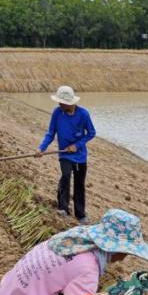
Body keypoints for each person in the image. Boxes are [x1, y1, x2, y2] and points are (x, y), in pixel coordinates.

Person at [0, 209, 148, 295]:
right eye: (127, 252)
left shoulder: (76, 237)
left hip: (8, 289)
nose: (126, 256)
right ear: (117, 249)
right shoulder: (87, 267)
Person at [36, 85, 95, 222]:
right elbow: (51, 133)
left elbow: (91, 133)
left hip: (79, 155)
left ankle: (80, 214)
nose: (59, 104)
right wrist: (41, 148)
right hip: (64, 154)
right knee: (66, 176)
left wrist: (77, 145)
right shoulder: (57, 113)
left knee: (79, 183)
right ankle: (63, 207)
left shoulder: (83, 114)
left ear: (70, 103)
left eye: (62, 102)